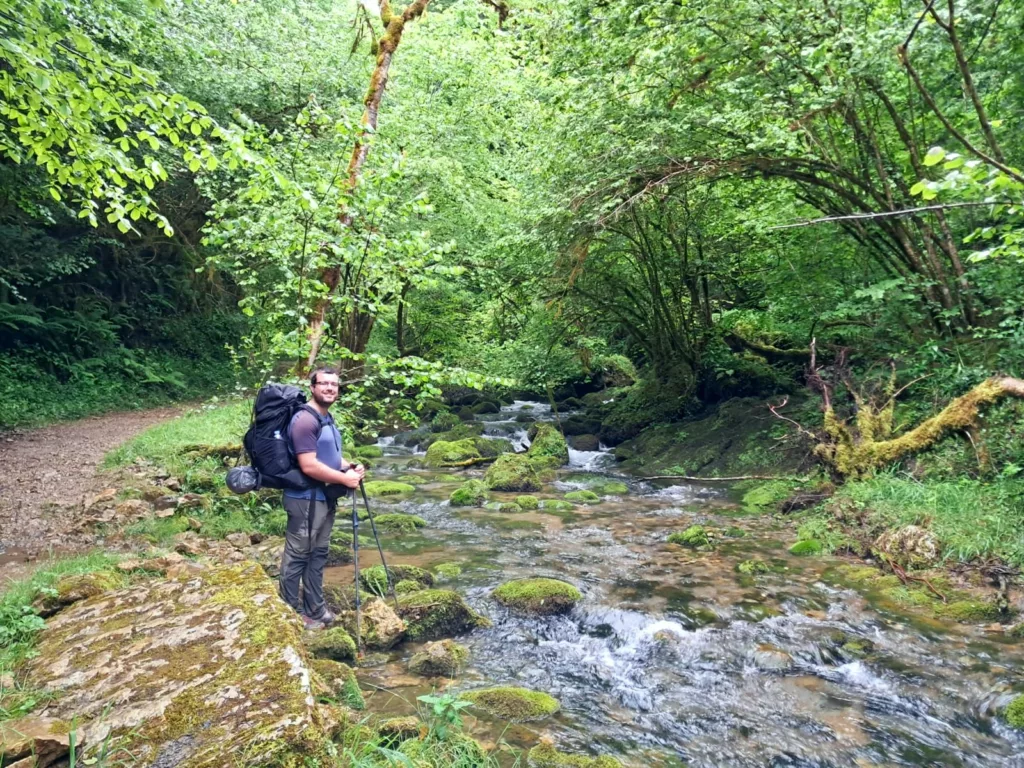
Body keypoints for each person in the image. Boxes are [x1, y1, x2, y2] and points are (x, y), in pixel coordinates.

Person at [279, 366, 365, 630]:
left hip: (322, 497)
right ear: (312, 387)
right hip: (304, 498)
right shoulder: (305, 420)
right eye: (324, 384)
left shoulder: (326, 418)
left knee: (318, 554)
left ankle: (315, 607)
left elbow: (327, 456)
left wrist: (349, 466)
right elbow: (309, 465)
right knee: (298, 555)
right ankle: (291, 612)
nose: (330, 388)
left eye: (334, 385)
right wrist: (344, 480)